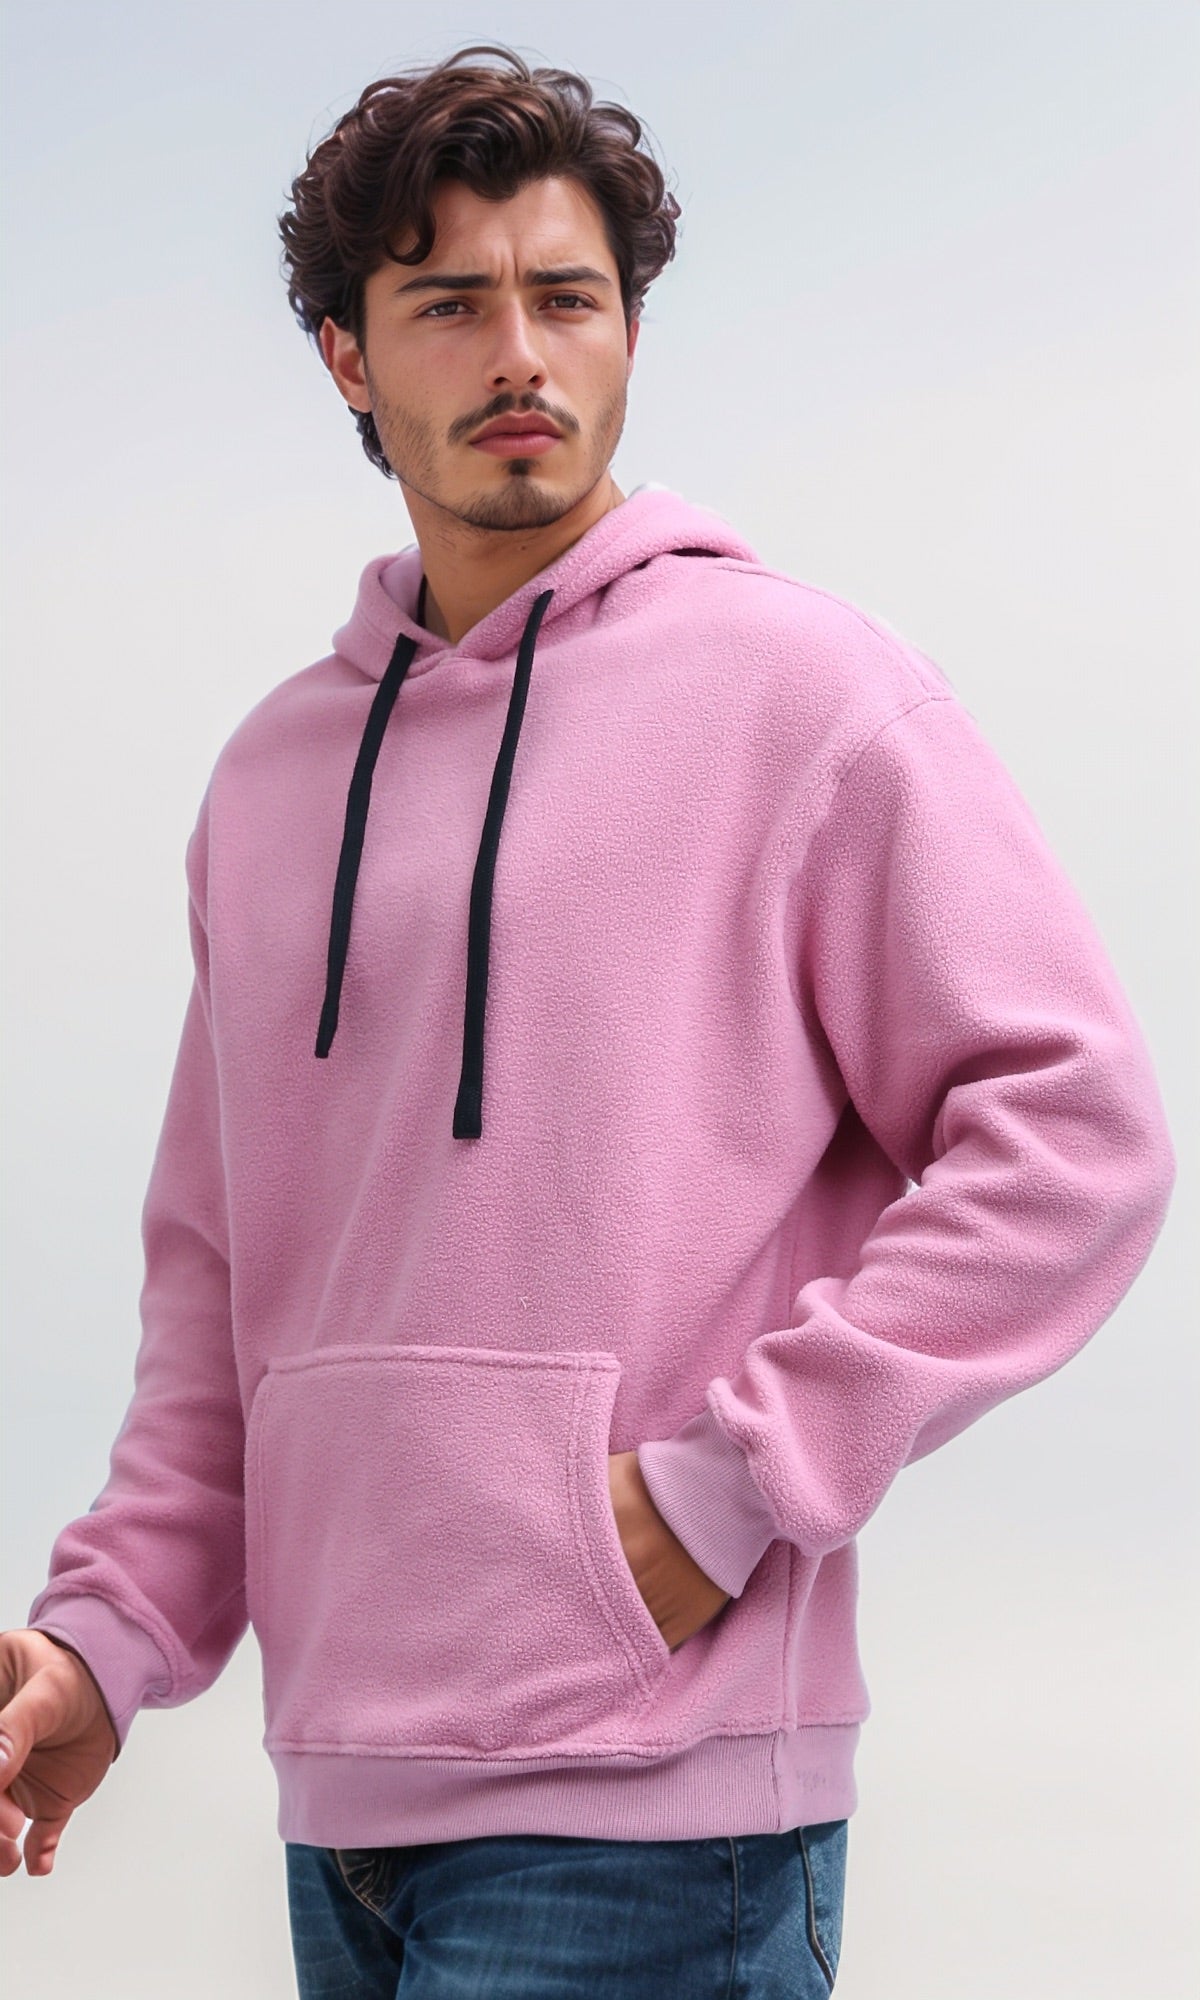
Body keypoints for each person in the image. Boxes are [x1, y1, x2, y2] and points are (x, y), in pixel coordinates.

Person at [0, 40, 1176, 1998]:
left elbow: (1076, 1135)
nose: (520, 355)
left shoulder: (802, 693)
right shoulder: (275, 782)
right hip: (345, 1809)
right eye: (450, 305)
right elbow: (223, 1290)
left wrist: (733, 1488)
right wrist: (101, 1645)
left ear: (630, 328)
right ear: (346, 355)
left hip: (659, 1813)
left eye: (567, 297)